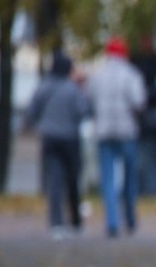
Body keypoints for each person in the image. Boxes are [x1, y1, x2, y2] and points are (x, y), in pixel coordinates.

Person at [85, 36, 146, 237]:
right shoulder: (131, 75)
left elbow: (89, 102)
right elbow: (139, 102)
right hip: (127, 131)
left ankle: (112, 223)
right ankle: (129, 219)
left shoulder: (97, 76)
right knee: (129, 178)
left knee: (108, 179)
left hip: (104, 132)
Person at [23, 51, 89, 238]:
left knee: (54, 181)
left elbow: (31, 111)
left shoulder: (43, 88)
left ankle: (56, 224)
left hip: (49, 138)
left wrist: (40, 124)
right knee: (72, 181)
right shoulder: (72, 89)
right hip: (69, 138)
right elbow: (83, 111)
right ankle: (75, 222)